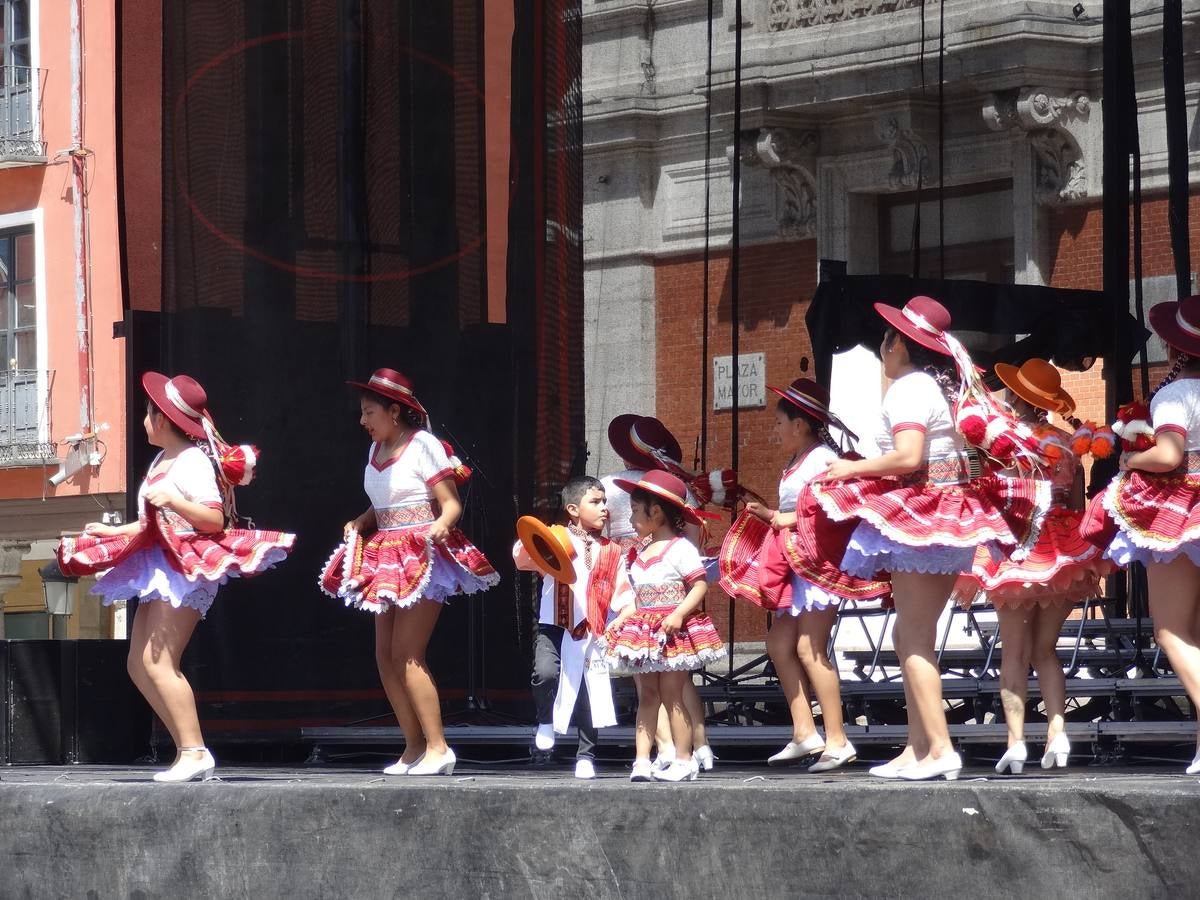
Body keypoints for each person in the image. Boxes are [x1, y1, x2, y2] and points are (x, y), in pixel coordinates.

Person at [811, 296, 1047, 781]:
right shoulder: (934, 387)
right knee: (907, 634)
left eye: (887, 337)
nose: (882, 345)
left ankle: (939, 748)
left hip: (925, 511)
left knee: (914, 636)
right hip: (943, 512)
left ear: (900, 343)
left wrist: (851, 466)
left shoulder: (909, 388)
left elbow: (908, 457)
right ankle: (916, 748)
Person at [58, 372, 295, 783]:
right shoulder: (160, 461)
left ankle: (194, 750)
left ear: (164, 418)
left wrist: (176, 500)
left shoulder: (193, 461)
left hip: (187, 565)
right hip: (161, 563)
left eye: (149, 413)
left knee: (159, 660)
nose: (144, 421)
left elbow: (213, 518)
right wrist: (115, 532)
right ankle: (188, 747)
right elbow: (152, 522)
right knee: (137, 663)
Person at [320, 368, 498, 777]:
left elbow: (450, 503)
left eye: (369, 412)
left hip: (422, 554)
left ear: (394, 410)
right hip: (385, 553)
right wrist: (363, 520)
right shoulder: (375, 450)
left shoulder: (424, 445)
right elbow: (384, 500)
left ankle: (439, 747)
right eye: (362, 413)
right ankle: (414, 746)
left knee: (407, 654)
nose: (362, 421)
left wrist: (441, 525)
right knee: (384, 656)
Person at [720, 378, 889, 771]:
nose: (774, 430)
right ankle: (804, 731)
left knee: (809, 650)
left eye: (779, 422)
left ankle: (838, 739)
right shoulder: (801, 459)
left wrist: (778, 517)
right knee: (779, 645)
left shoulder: (820, 459)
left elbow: (832, 509)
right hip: (795, 563)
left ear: (799, 424)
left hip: (815, 566)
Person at [955, 359, 1112, 774]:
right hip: (1063, 546)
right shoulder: (1069, 444)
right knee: (1045, 651)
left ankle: (1017, 742)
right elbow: (1077, 505)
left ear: (1019, 398)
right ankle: (1058, 735)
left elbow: (993, 495)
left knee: (1015, 652)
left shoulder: (1007, 442)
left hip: (1020, 545)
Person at [1095, 295, 1200, 775]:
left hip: (1185, 511)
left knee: (1171, 630)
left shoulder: (1176, 394)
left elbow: (1170, 454)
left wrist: (1130, 459)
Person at [602, 414, 716, 772]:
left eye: (638, 513)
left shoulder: (613, 487)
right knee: (677, 685)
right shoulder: (682, 493)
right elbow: (695, 553)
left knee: (653, 689)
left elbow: (605, 538)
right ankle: (699, 748)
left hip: (655, 599)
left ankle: (670, 751)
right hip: (659, 598)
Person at [515, 476, 629, 779]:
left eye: (604, 501)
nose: (604, 508)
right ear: (573, 508)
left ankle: (586, 755)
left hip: (591, 630)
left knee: (590, 691)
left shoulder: (612, 551)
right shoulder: (557, 538)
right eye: (595, 501)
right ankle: (545, 721)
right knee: (545, 673)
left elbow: (623, 593)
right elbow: (521, 556)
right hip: (554, 624)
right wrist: (542, 537)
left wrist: (622, 617)